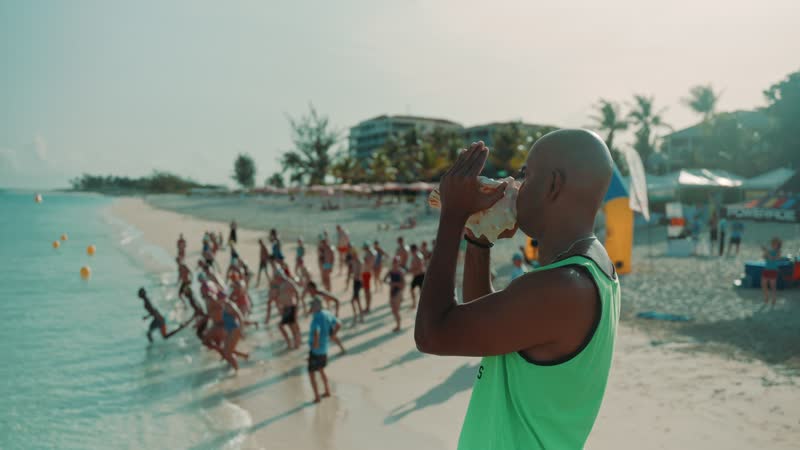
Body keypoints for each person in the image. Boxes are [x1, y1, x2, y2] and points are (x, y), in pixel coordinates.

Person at [415, 132, 621, 449]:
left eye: (526, 175)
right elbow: (489, 323)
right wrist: (478, 238)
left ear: (553, 185)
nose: (516, 184)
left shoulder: (562, 287)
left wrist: (452, 216)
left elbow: (432, 332)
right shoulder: (594, 269)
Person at [307, 298, 338, 403]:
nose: (310, 308)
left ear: (316, 307)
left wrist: (315, 344)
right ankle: (327, 390)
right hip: (324, 349)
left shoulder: (316, 318)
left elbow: (317, 331)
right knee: (321, 370)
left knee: (311, 374)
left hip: (316, 351)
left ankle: (317, 397)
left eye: (312, 306)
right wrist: (333, 335)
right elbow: (338, 323)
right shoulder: (327, 313)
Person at [385, 257, 406, 332]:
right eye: (394, 262)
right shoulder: (390, 271)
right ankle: (397, 325)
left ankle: (398, 326)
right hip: (391, 292)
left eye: (396, 262)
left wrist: (394, 284)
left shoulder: (401, 272)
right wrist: (389, 283)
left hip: (398, 292)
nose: (394, 263)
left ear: (399, 262)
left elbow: (403, 284)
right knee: (394, 310)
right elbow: (384, 279)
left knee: (396, 310)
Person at [761, 237, 782, 306]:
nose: (773, 244)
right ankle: (766, 297)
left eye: (775, 243)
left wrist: (767, 252)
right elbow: (764, 257)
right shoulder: (769, 251)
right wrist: (765, 252)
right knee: (763, 284)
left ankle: (773, 298)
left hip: (773, 270)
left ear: (778, 245)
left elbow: (773, 259)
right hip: (766, 269)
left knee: (772, 286)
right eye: (772, 243)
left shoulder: (778, 252)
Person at [349, 248, 365, 326]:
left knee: (353, 301)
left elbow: (360, 274)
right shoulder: (354, 262)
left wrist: (355, 276)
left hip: (358, 282)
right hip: (355, 282)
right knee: (357, 300)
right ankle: (360, 316)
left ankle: (356, 316)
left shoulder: (359, 262)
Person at [408, 244, 426, 309]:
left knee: (421, 292)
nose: (411, 251)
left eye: (412, 250)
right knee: (412, 289)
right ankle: (414, 303)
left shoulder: (419, 256)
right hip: (416, 276)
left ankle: (422, 305)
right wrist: (411, 270)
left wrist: (412, 270)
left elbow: (420, 268)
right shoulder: (415, 256)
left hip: (421, 276)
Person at [361, 242, 375, 312]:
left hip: (366, 273)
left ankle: (368, 307)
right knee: (366, 291)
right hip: (366, 273)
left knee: (367, 291)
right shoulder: (370, 253)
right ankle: (367, 306)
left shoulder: (370, 254)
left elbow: (367, 263)